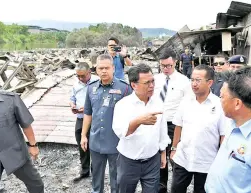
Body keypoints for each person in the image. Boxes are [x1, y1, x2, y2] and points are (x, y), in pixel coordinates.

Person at [113, 63, 171, 193]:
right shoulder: (123, 105)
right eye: (147, 83)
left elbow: (162, 131)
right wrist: (138, 121)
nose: (151, 86)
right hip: (128, 162)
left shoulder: (158, 103)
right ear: (134, 85)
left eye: (152, 81)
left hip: (152, 161)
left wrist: (163, 153)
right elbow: (121, 133)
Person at [80, 54, 132, 193]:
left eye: (107, 68)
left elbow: (132, 115)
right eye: (101, 68)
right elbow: (88, 113)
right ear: (96, 70)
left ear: (113, 68)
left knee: (116, 178)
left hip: (116, 142)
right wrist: (83, 135)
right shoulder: (91, 88)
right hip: (96, 141)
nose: (104, 71)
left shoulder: (125, 89)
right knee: (96, 177)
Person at [170, 65, 226, 193]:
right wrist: (174, 148)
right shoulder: (185, 101)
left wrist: (222, 160)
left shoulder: (219, 105)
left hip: (207, 161)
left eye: (198, 80)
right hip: (183, 158)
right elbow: (178, 126)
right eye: (192, 80)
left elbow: (223, 135)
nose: (194, 84)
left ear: (210, 82)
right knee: (176, 189)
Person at [154, 48, 193, 193]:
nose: (166, 69)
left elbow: (189, 104)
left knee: (175, 158)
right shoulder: (156, 79)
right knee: (159, 158)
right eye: (163, 66)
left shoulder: (184, 81)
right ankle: (161, 187)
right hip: (158, 123)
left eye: (169, 65)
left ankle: (177, 188)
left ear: (175, 63)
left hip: (174, 125)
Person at [70, 62, 99, 182]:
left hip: (95, 118)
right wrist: (72, 105)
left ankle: (96, 171)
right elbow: (72, 97)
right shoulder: (76, 85)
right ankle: (84, 170)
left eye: (83, 76)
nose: (80, 78)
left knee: (95, 145)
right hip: (81, 118)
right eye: (78, 76)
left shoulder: (98, 82)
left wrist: (88, 108)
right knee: (82, 145)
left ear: (89, 73)